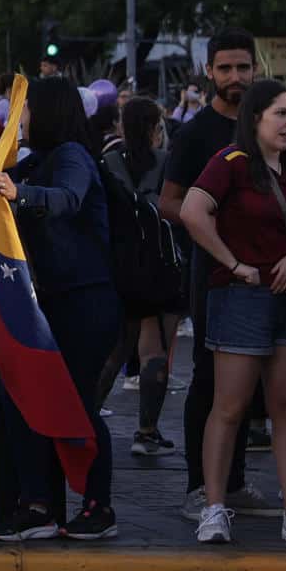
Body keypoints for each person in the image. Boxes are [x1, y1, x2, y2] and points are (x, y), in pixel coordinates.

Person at [179, 80, 286, 546]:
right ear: (256, 118)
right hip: (240, 297)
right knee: (230, 407)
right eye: (280, 114)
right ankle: (215, 508)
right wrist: (235, 264)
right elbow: (192, 211)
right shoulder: (231, 164)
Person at [0, 78, 121, 541]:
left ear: (46, 111)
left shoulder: (72, 158)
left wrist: (19, 194)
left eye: (23, 109)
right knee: (25, 399)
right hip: (52, 303)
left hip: (84, 301)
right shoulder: (37, 161)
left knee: (76, 403)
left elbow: (66, 200)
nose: (15, 119)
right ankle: (38, 505)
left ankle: (98, 507)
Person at [161, 30, 272, 521]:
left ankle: (235, 483)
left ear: (256, 70)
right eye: (224, 69)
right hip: (213, 276)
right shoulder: (194, 134)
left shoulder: (271, 126)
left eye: (242, 68)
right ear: (209, 72)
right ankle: (199, 486)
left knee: (253, 382)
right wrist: (211, 223)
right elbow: (168, 201)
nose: (234, 78)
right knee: (209, 379)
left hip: (269, 274)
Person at [101, 96, 186, 459]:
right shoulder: (168, 163)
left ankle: (84, 419)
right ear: (155, 128)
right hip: (162, 265)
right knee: (156, 350)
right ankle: (147, 431)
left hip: (118, 267)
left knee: (115, 350)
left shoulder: (107, 163)